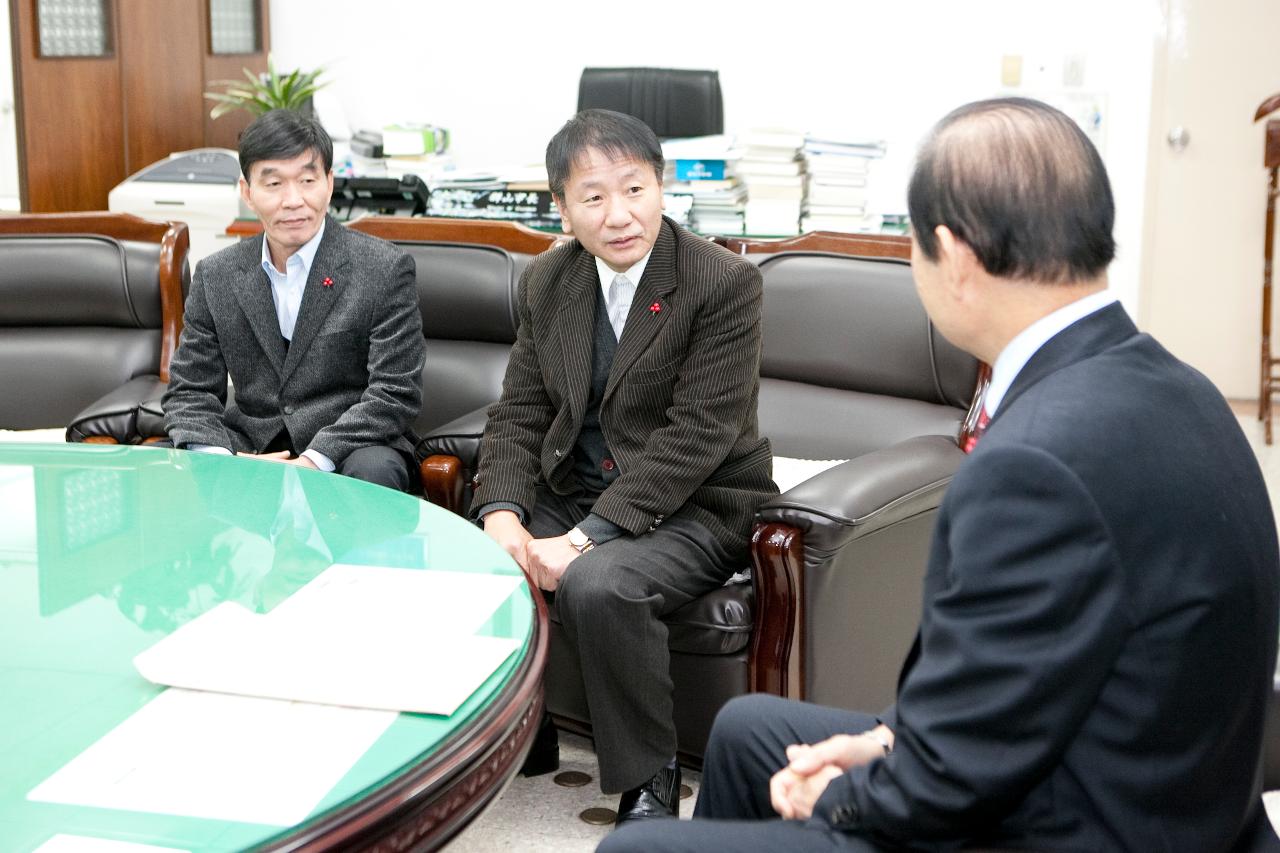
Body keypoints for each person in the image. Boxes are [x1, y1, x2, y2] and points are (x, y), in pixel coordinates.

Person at [602, 98, 1280, 852]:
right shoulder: (1186, 389)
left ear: (953, 256)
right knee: (748, 728)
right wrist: (887, 741)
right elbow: (1029, 678)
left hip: (1081, 824)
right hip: (1160, 776)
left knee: (638, 849)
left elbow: (957, 776)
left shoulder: (1034, 464)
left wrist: (849, 792)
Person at [471, 108, 777, 825]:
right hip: (575, 484)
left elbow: (698, 436)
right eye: (594, 196)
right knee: (475, 554)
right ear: (561, 207)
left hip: (697, 499)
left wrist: (582, 538)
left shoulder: (723, 283)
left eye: (634, 189)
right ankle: (528, 733)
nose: (619, 215)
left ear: (661, 187)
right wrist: (503, 514)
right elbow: (518, 411)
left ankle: (651, 780)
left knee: (601, 583)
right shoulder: (548, 281)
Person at [163, 109, 424, 492]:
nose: (294, 200)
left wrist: (313, 460)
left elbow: (394, 392)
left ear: (330, 183)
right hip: (252, 445)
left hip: (350, 446)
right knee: (171, 460)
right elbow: (191, 389)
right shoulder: (217, 274)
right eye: (274, 184)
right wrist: (222, 458)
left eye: (307, 180)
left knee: (375, 469)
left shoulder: (383, 268)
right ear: (247, 192)